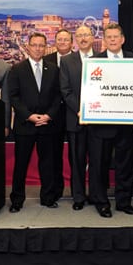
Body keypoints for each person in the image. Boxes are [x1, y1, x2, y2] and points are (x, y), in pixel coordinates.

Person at [7, 32, 62, 213]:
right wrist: (29, 116)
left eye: (41, 45)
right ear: (28, 47)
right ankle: (17, 200)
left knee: (47, 164)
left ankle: (47, 198)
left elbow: (58, 97)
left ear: (45, 47)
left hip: (47, 124)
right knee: (21, 165)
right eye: (35, 45)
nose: (38, 48)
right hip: (25, 125)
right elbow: (13, 97)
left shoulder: (53, 69)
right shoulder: (17, 69)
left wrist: (49, 115)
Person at [88, 23, 133, 218]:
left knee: (126, 165)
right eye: (108, 37)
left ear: (123, 39)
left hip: (125, 123)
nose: (112, 40)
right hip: (100, 124)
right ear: (104, 39)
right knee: (99, 165)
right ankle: (101, 203)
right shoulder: (94, 62)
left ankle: (124, 202)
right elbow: (89, 91)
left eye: (116, 36)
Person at [59, 26, 96, 211]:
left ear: (92, 37)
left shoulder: (102, 59)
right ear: (75, 39)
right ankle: (79, 196)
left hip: (98, 120)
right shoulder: (67, 61)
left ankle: (97, 194)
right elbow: (65, 90)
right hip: (76, 119)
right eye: (79, 35)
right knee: (77, 160)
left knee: (98, 161)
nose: (83, 38)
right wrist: (80, 110)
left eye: (86, 35)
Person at [43, 28, 73, 202]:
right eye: (59, 39)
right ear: (55, 42)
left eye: (66, 39)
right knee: (53, 155)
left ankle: (78, 191)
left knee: (75, 155)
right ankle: (55, 190)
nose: (62, 42)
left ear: (71, 42)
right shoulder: (46, 60)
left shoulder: (79, 60)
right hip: (52, 115)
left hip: (72, 113)